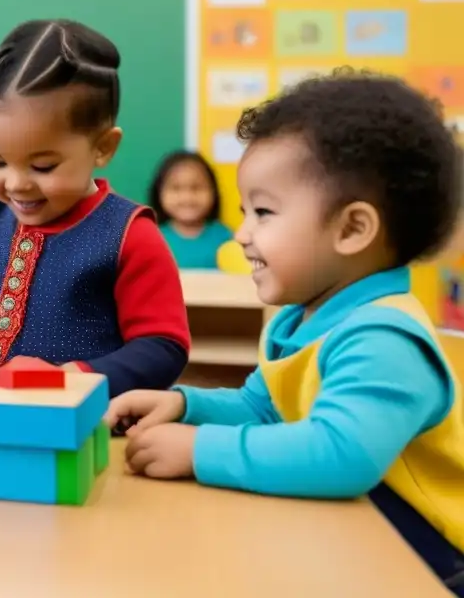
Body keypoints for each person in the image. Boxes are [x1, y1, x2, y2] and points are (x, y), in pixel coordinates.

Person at [103, 69, 464, 594]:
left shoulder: (385, 337)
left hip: (432, 567)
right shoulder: (303, 319)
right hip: (357, 543)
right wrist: (185, 406)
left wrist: (200, 448)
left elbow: (341, 455)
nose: (243, 234)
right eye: (246, 212)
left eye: (264, 213)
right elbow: (262, 408)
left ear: (352, 229)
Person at [0, 19, 190, 397]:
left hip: (83, 426)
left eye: (42, 166)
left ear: (103, 147)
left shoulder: (130, 236)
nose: (16, 184)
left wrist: (73, 377)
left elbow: (162, 347)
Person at [149, 150, 232, 269]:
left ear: (213, 192)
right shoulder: (153, 239)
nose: (187, 197)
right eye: (176, 188)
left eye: (196, 188)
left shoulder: (225, 237)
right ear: (159, 193)